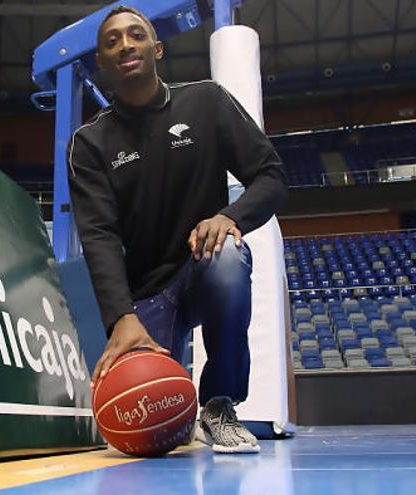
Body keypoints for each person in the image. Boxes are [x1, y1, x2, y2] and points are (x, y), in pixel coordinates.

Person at [67, 5, 287, 454]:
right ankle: (180, 410)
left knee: (227, 255)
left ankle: (220, 405)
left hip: (201, 267)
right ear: (102, 65)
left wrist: (231, 217)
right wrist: (121, 318)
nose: (125, 44)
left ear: (157, 48)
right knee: (145, 422)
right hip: (145, 291)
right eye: (112, 42)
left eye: (136, 35)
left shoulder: (206, 102)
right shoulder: (89, 144)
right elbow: (99, 236)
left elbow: (271, 176)